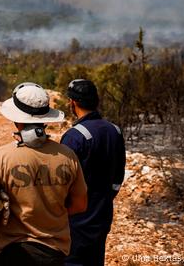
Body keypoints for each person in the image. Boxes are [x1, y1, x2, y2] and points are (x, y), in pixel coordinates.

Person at [0, 82, 88, 266]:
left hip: (7, 252)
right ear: (45, 120)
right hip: (53, 253)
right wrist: (48, 214)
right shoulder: (68, 156)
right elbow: (80, 205)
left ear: (16, 119)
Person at [60, 79, 125, 266]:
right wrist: (104, 199)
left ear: (73, 103)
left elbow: (62, 181)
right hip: (102, 214)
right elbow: (118, 177)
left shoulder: (74, 136)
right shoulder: (115, 131)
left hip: (76, 220)